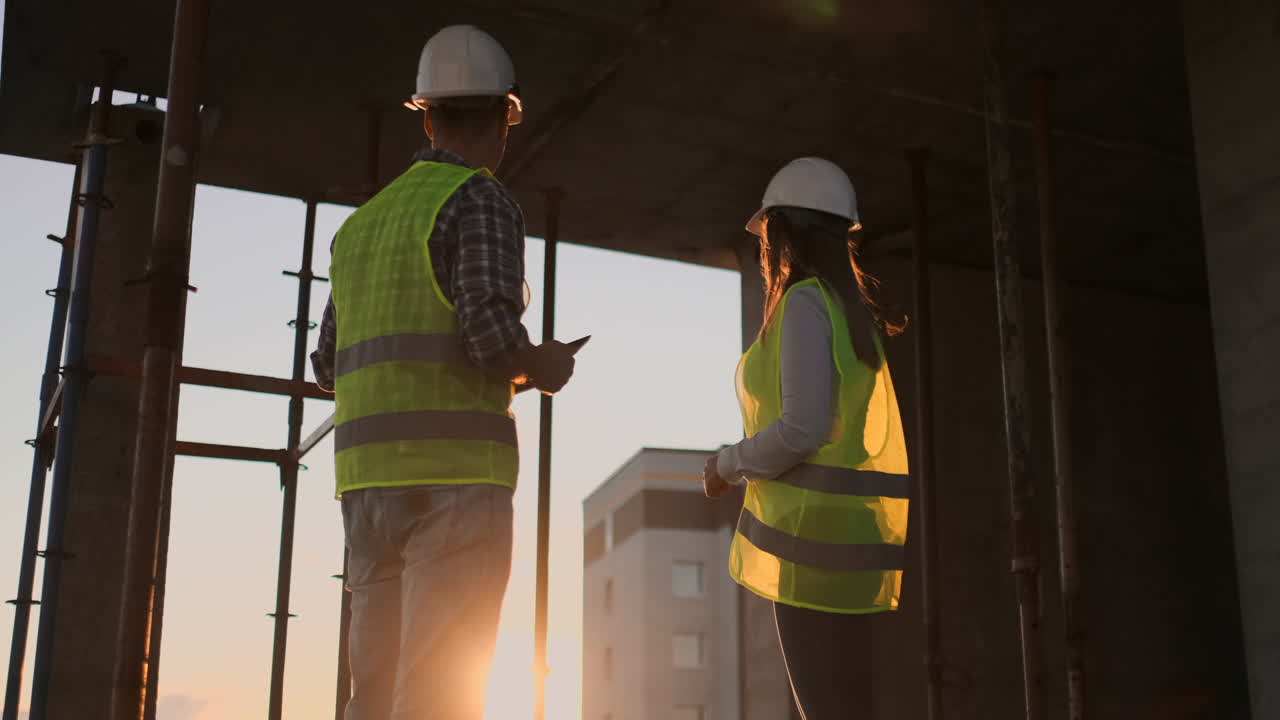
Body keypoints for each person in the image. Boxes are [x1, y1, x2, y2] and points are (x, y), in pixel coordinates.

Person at [310, 25, 577, 720]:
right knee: (438, 695)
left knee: (372, 693)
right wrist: (541, 365)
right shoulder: (480, 199)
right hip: (455, 481)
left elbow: (325, 366)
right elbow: (490, 341)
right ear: (503, 121)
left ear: (425, 115)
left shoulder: (361, 226)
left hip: (366, 489)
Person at [702, 157, 910, 720]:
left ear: (784, 230)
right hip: (853, 539)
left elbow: (803, 428)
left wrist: (727, 464)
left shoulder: (803, 304)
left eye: (768, 233)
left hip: (812, 541)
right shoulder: (851, 313)